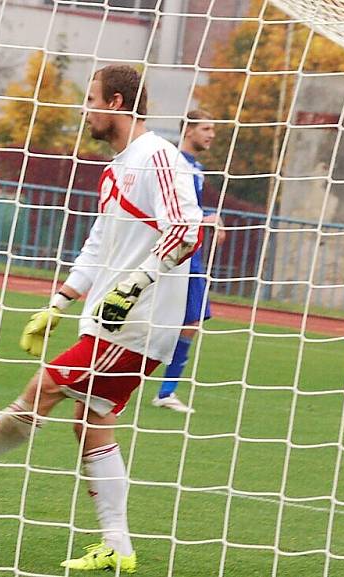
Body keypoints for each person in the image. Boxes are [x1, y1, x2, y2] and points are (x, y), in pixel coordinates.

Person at [0, 65, 202, 574]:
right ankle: (118, 548)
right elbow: (99, 249)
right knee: (90, 422)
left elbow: (187, 231)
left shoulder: (158, 157)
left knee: (46, 389)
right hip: (111, 318)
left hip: (139, 320)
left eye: (92, 99)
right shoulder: (114, 170)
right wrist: (59, 303)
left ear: (116, 103)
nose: (86, 109)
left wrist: (135, 285)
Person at [152, 109, 225, 414]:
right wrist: (206, 219)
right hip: (175, 251)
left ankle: (167, 392)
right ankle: (160, 390)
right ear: (189, 130)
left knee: (191, 321)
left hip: (190, 253)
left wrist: (210, 221)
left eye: (213, 129)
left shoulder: (196, 167)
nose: (211, 134)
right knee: (159, 320)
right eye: (206, 128)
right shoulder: (175, 163)